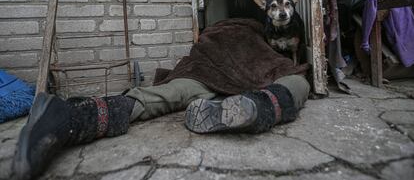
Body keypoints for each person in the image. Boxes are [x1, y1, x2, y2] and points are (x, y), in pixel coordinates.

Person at [12, 19, 310, 180]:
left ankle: (73, 117)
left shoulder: (255, 36)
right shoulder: (246, 29)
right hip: (211, 69)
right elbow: (218, 42)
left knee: (163, 95)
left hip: (203, 78)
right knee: (297, 80)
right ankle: (259, 105)